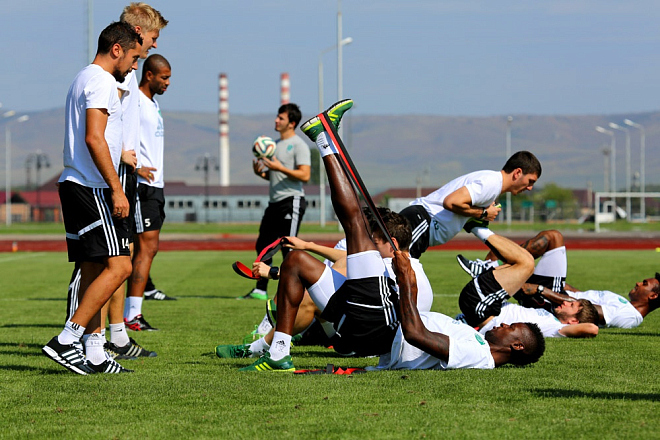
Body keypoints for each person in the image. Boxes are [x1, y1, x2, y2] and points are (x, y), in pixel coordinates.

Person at [222, 99, 545, 372]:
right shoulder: (478, 341)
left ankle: (323, 137)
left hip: (380, 326)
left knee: (356, 225)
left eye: (511, 328)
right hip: (365, 321)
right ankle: (278, 353)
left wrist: (406, 282)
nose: (503, 323)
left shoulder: (479, 355)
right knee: (296, 261)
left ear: (516, 346)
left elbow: (416, 334)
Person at [65, 2, 167, 355]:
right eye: (152, 36)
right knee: (98, 262)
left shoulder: (125, 72)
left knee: (117, 255)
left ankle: (111, 336)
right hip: (105, 176)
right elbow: (99, 131)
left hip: (119, 175)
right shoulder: (111, 75)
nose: (154, 44)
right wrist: (123, 160)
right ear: (135, 35)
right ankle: (74, 336)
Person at [42, 21, 143, 375]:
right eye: (133, 57)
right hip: (90, 186)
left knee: (93, 267)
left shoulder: (83, 77)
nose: (134, 66)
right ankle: (66, 339)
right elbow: (94, 138)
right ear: (116, 49)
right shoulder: (101, 81)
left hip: (76, 184)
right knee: (122, 266)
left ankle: (96, 352)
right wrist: (116, 188)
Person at [216, 206, 434, 360]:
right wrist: (307, 245)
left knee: (310, 296)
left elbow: (343, 265)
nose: (368, 247)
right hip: (365, 335)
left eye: (374, 242)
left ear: (392, 243)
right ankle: (276, 338)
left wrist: (275, 273)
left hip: (367, 343)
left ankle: (261, 345)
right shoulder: (405, 266)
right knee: (325, 281)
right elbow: (346, 258)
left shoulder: (389, 268)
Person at [459, 230, 660, 328]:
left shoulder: (630, 316)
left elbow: (585, 310)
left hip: (554, 302)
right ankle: (489, 268)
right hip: (559, 293)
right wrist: (559, 284)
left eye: (645, 284)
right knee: (552, 238)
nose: (638, 283)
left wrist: (541, 290)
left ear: (653, 296)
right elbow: (579, 295)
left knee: (545, 245)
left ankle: (489, 269)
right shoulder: (624, 303)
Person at [457, 228, 599, 339]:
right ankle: (488, 264)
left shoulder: (555, 327)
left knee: (527, 263)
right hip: (488, 304)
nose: (567, 301)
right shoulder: (549, 315)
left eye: (572, 305)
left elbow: (592, 329)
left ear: (573, 322)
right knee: (503, 255)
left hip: (484, 309)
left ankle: (476, 227)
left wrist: (540, 289)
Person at [400, 151, 542, 259]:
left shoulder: (493, 184)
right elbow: (451, 202)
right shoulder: (492, 184)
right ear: (517, 173)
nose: (530, 188)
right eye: (530, 181)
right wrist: (483, 213)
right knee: (401, 276)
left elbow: (463, 210)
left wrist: (480, 214)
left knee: (405, 280)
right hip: (421, 222)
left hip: (422, 225)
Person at [240, 103, 311, 300]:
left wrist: (280, 168)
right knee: (263, 245)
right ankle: (260, 290)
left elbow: (305, 175)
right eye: (277, 117)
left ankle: (294, 291)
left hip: (292, 201)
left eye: (281, 118)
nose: (276, 120)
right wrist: (262, 174)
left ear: (292, 123)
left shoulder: (299, 145)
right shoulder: (274, 145)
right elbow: (276, 178)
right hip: (274, 203)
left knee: (288, 247)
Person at [124, 54, 172, 332]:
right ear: (149, 75)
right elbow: (117, 132)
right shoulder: (136, 101)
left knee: (148, 248)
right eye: (164, 77)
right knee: (145, 247)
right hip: (143, 186)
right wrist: (136, 166)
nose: (168, 83)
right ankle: (132, 316)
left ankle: (130, 313)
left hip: (156, 186)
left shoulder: (153, 103)